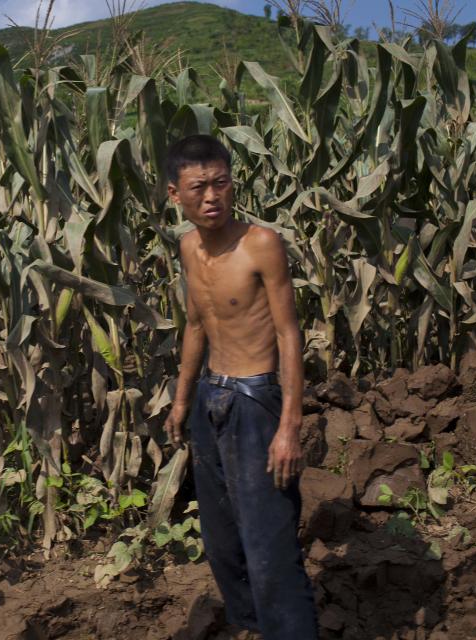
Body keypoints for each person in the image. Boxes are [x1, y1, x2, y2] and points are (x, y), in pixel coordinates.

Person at [162, 135, 317, 637]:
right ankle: (254, 627)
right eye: (198, 187)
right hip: (211, 398)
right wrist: (182, 400)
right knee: (223, 541)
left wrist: (290, 426)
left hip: (255, 400)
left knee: (268, 544)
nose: (212, 197)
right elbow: (194, 325)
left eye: (221, 183)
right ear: (174, 195)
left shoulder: (261, 244)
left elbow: (289, 333)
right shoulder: (187, 247)